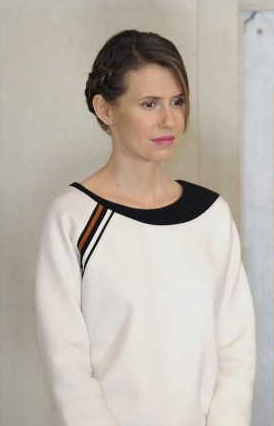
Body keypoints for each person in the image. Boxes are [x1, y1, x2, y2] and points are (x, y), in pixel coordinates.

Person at [35, 30, 256, 426]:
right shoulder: (72, 217)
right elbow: (66, 364)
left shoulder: (211, 214)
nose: (169, 120)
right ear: (105, 110)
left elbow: (236, 350)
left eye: (177, 102)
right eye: (149, 104)